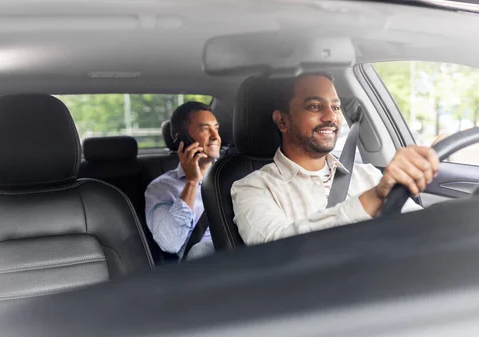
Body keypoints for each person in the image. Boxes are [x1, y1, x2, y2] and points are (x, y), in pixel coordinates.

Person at [231, 73, 439, 245]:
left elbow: (422, 228)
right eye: (314, 106)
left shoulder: (368, 175)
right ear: (282, 120)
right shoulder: (252, 188)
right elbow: (274, 248)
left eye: (336, 107)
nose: (331, 117)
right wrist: (371, 201)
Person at [145, 101, 221, 260]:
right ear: (183, 140)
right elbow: (170, 243)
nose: (215, 137)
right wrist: (192, 182)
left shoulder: (231, 176)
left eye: (216, 128)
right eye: (205, 129)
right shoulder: (161, 188)